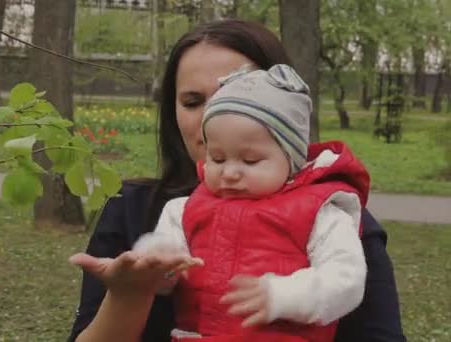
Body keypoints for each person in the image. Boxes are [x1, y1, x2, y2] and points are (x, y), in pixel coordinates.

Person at [67, 19, 406, 342]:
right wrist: (131, 292)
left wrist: (283, 297)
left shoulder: (333, 216)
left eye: (242, 93)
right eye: (192, 101)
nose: (216, 116)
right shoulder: (135, 208)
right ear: (171, 111)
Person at [132, 63, 369, 341]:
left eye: (251, 160)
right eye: (217, 158)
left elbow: (346, 278)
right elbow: (167, 267)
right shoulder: (183, 209)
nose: (230, 173)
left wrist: (281, 296)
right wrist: (157, 265)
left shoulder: (320, 212)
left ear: (292, 161)